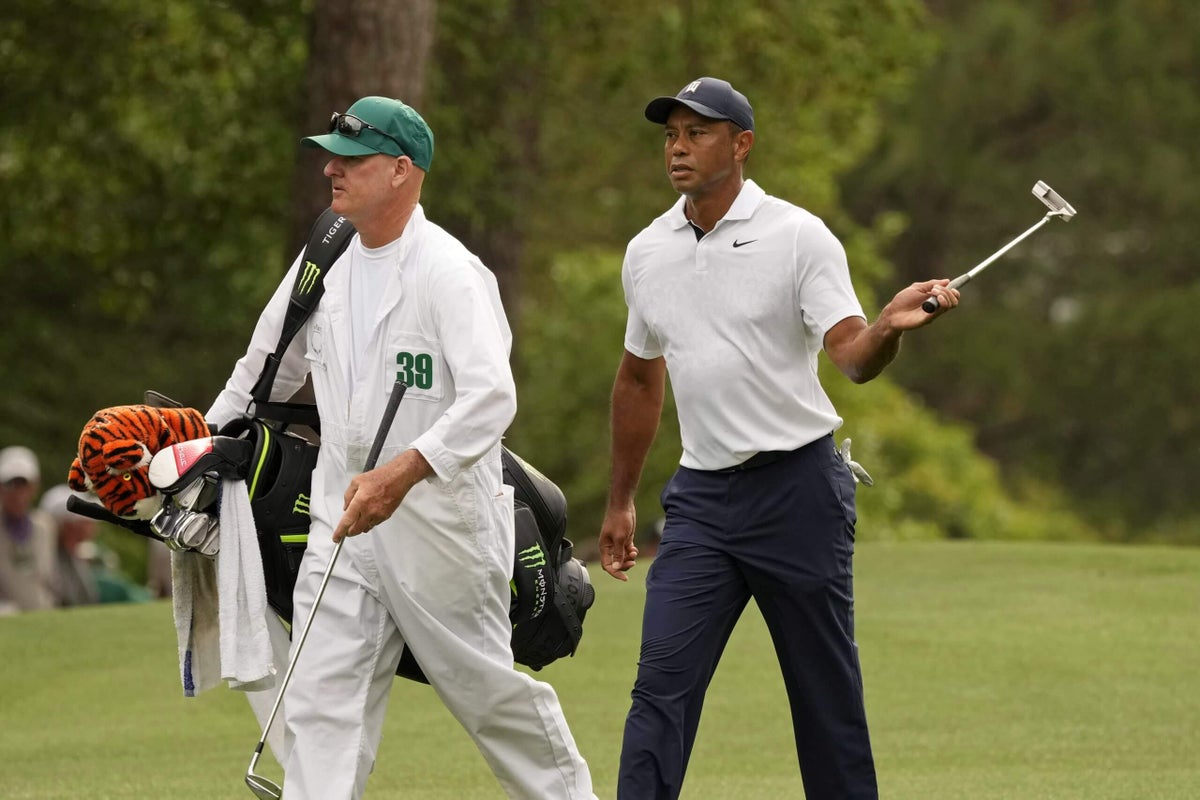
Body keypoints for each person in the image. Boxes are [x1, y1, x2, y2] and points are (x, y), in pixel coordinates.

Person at [205, 96, 596, 800]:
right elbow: (264, 369)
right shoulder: (324, 256)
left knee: (489, 701)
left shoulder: (450, 273)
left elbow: (492, 399)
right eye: (332, 155)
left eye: (352, 159)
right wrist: (193, 452)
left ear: (401, 172)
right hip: (341, 522)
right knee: (321, 706)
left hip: (441, 529)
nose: (331, 168)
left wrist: (405, 472)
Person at [597, 77, 960, 800]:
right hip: (700, 500)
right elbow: (640, 378)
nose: (678, 147)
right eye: (670, 133)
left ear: (741, 144)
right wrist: (620, 502)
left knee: (825, 702)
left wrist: (887, 326)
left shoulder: (798, 236)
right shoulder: (647, 251)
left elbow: (852, 357)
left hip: (798, 493)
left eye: (698, 132)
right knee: (659, 690)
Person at [0, 445, 58, 614]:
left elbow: (49, 580)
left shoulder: (45, 527)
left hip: (42, 619)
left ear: (34, 486)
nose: (17, 493)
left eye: (23, 484)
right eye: (11, 485)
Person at [38, 483, 102, 607]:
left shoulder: (74, 555)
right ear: (67, 526)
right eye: (83, 521)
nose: (92, 527)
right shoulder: (47, 560)